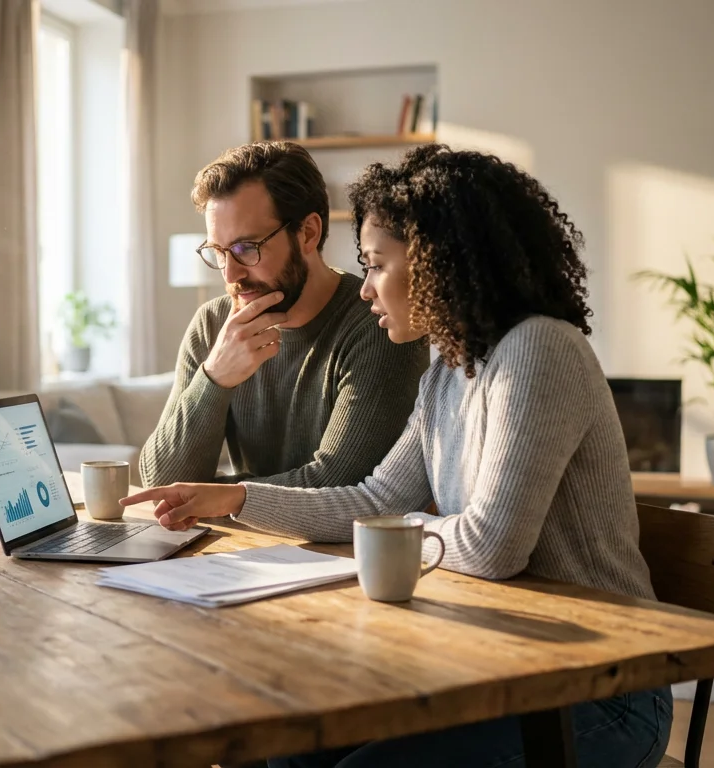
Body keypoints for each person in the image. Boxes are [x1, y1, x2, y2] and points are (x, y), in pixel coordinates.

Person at [123, 145, 671, 768]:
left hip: (599, 689)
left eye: (378, 265)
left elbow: (491, 546)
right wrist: (239, 497)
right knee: (282, 748)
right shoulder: (448, 371)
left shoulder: (540, 349)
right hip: (499, 666)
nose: (366, 290)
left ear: (436, 265)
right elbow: (375, 499)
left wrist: (391, 532)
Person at [139, 142, 429, 490]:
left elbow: (340, 486)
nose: (230, 275)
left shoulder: (379, 321)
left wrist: (214, 496)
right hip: (241, 543)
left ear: (308, 233)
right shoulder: (214, 325)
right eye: (218, 251)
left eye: (246, 248)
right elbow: (160, 482)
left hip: (338, 546)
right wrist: (214, 377)